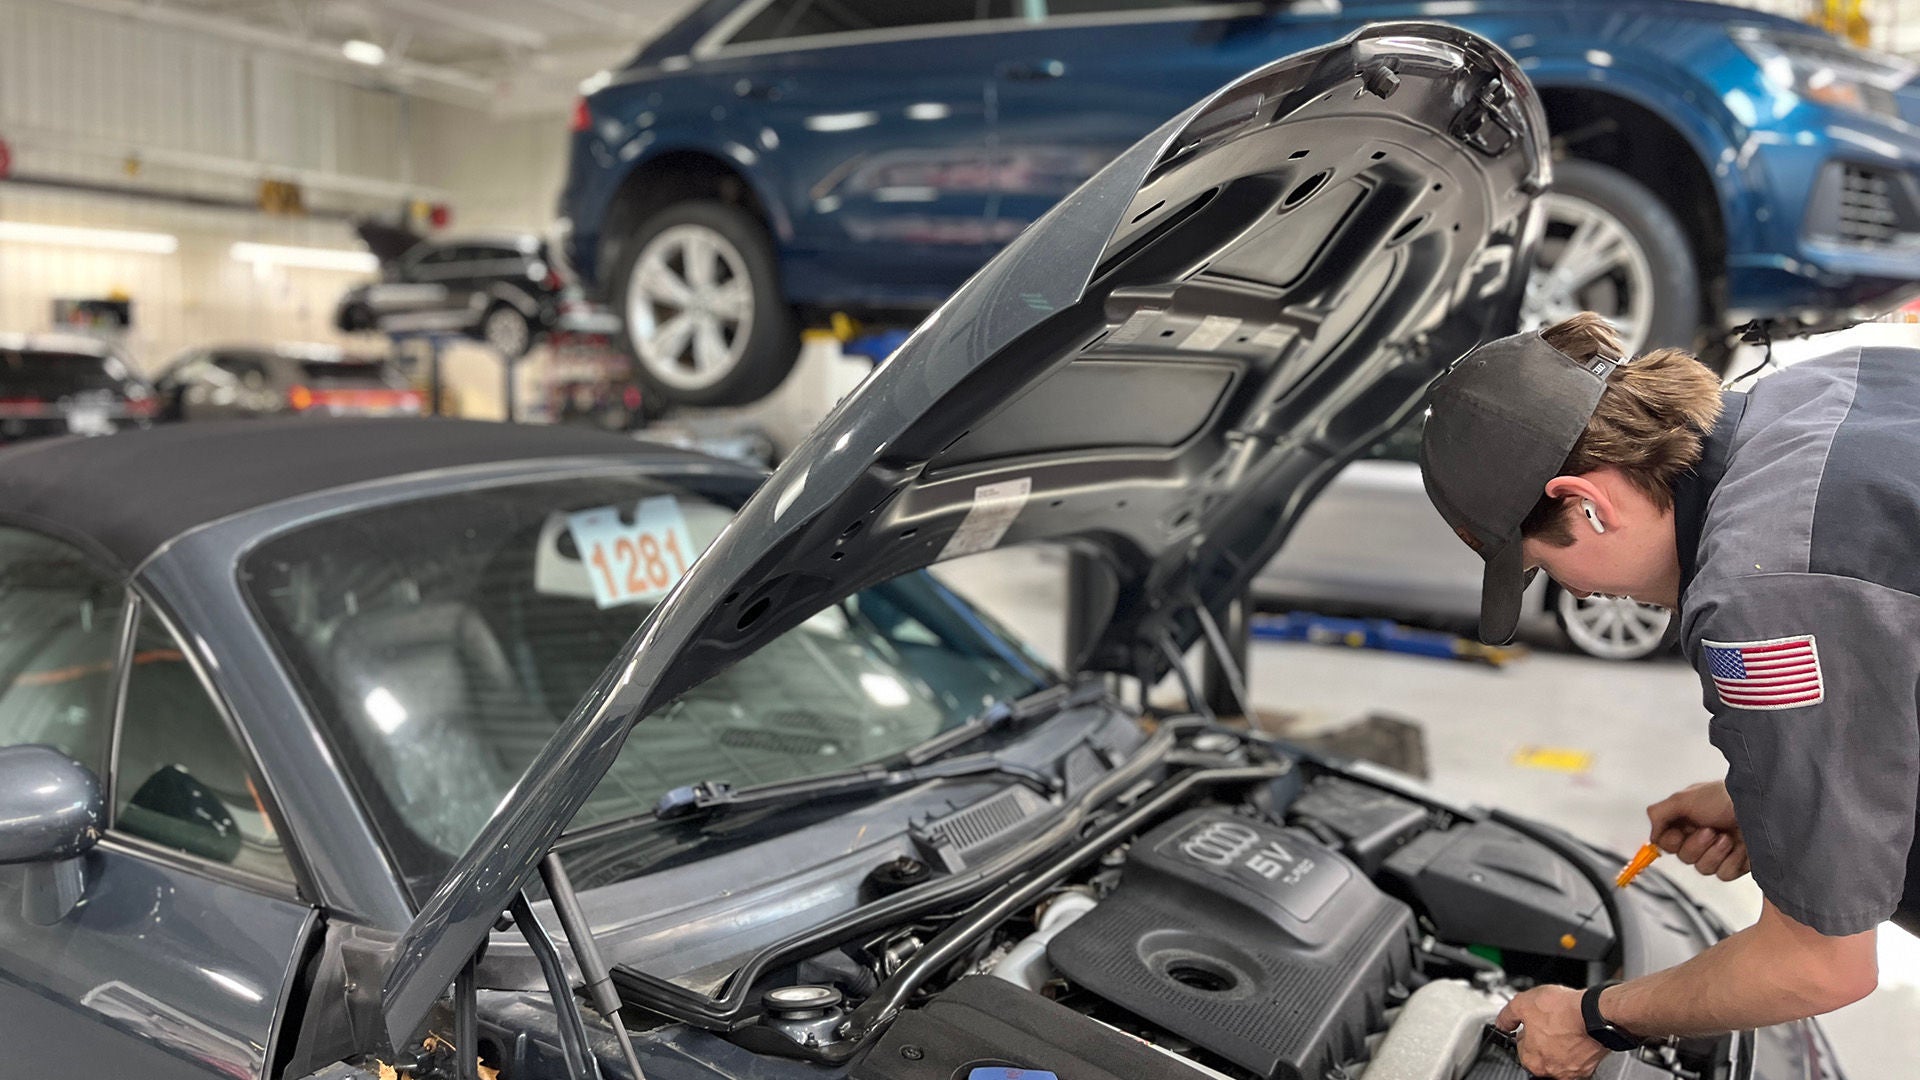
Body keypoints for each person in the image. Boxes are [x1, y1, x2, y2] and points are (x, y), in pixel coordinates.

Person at [1417, 313, 1911, 1079]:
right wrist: (1775, 793)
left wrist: (1593, 1019)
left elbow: (1821, 967)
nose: (1575, 588)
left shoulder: (1761, 601)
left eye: (1546, 566)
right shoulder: (1830, 384)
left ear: (1586, 504)